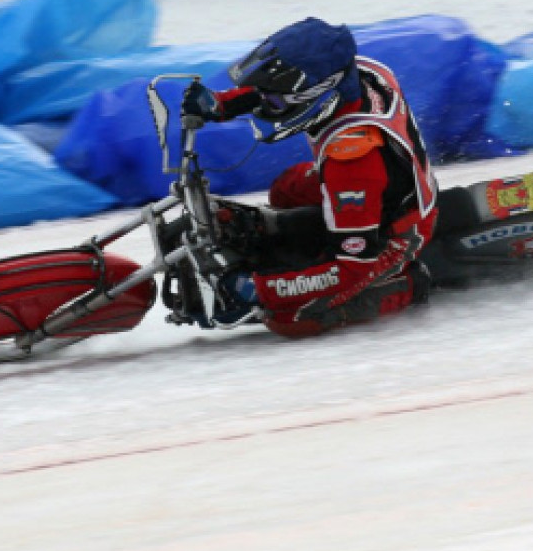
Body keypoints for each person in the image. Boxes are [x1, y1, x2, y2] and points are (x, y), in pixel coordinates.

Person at [181, 17, 438, 337]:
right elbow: (281, 90)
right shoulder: (360, 71)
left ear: (320, 96)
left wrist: (260, 289)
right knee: (285, 189)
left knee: (290, 319)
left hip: (395, 233)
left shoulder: (352, 159)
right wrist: (220, 105)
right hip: (392, 184)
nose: (266, 104)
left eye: (273, 100)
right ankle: (290, 237)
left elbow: (353, 267)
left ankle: (407, 285)